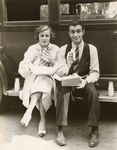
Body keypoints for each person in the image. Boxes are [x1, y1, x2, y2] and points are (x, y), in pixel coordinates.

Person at [55, 19, 100, 147]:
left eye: (78, 31)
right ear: (69, 33)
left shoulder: (91, 49)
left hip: (85, 80)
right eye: (73, 32)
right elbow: (58, 73)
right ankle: (59, 129)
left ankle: (94, 130)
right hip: (68, 81)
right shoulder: (63, 50)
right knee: (62, 93)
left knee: (93, 92)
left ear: (83, 32)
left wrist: (85, 81)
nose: (76, 35)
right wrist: (67, 65)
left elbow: (95, 72)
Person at [18, 25, 61, 137]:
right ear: (38, 36)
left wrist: (51, 62)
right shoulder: (32, 49)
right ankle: (42, 121)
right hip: (34, 79)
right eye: (42, 35)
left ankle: (29, 111)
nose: (44, 38)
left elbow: (62, 69)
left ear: (50, 36)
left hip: (50, 78)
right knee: (41, 83)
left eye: (47, 35)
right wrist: (32, 60)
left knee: (43, 81)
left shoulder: (56, 49)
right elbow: (22, 70)